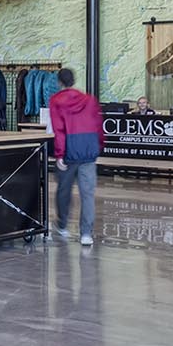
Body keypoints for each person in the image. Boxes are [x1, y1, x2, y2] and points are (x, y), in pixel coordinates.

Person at [48, 68, 103, 245]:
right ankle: (86, 234)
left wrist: (59, 154)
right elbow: (98, 127)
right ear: (74, 80)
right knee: (87, 194)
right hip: (88, 151)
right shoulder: (89, 99)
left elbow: (59, 129)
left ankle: (62, 226)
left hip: (69, 151)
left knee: (64, 191)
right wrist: (97, 148)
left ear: (59, 82)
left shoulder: (56, 100)